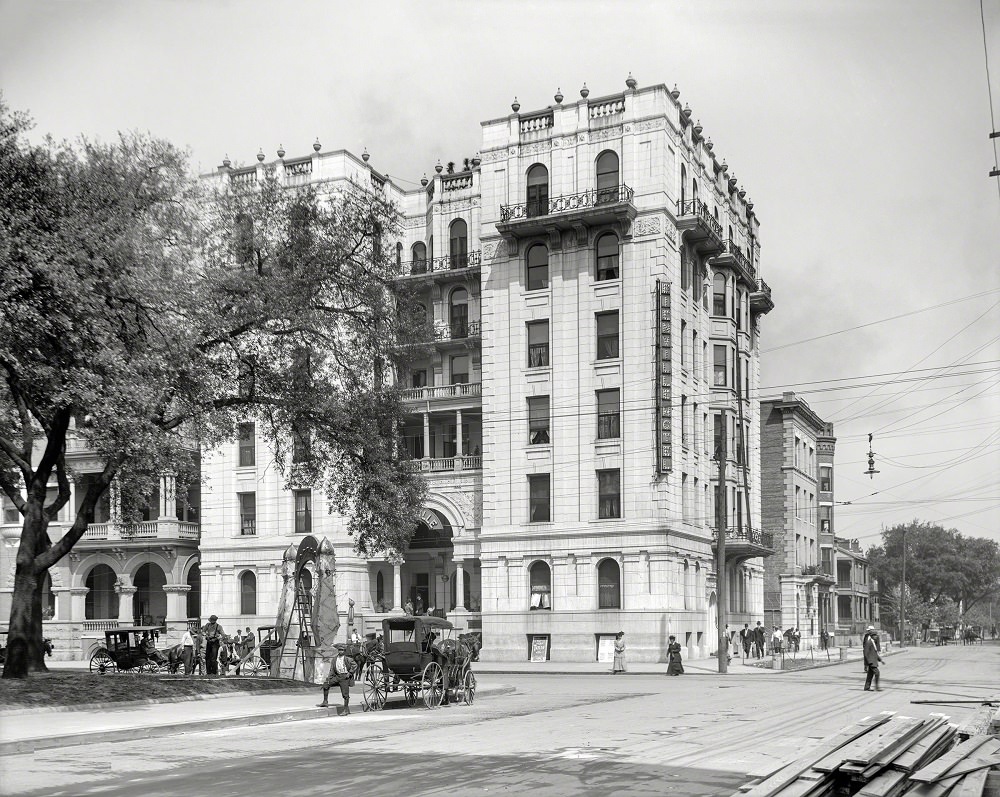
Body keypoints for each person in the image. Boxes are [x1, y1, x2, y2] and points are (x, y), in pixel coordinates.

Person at [319, 648, 355, 714]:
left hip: (344, 677)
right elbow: (332, 669)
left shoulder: (348, 659)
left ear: (344, 651)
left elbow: (355, 665)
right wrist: (328, 678)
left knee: (345, 694)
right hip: (337, 676)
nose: (340, 651)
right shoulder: (335, 659)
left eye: (342, 650)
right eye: (339, 650)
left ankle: (346, 709)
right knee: (326, 685)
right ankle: (325, 701)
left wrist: (350, 673)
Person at [863, 625, 884, 691]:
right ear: (872, 636)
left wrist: (880, 660)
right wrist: (869, 662)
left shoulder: (873, 642)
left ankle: (867, 687)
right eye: (874, 636)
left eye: (876, 635)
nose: (876, 637)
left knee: (870, 675)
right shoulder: (869, 643)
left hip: (873, 661)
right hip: (871, 661)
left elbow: (874, 653)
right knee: (877, 673)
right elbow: (865, 653)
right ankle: (877, 687)